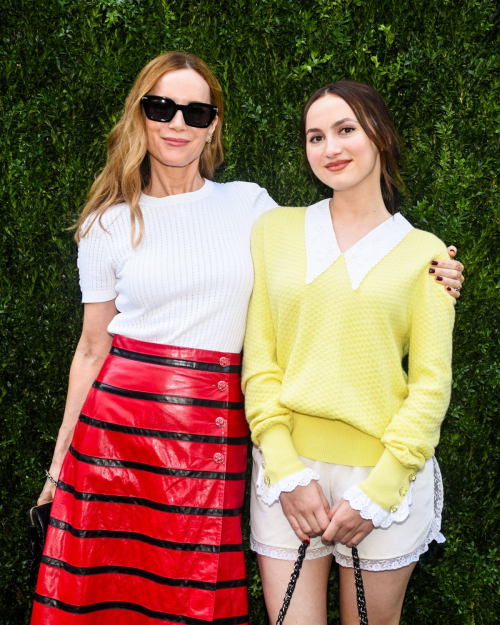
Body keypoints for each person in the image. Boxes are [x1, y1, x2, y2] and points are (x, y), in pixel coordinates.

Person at [31, 52, 462, 625]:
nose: (176, 122)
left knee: (192, 598)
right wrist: (58, 468)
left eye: (195, 110)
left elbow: (338, 252)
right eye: (161, 107)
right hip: (117, 437)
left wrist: (433, 270)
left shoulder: (252, 207)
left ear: (213, 124)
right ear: (140, 116)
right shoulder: (104, 225)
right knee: (109, 600)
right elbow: (91, 350)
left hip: (215, 429)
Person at [242, 79, 458, 625]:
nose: (330, 148)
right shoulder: (273, 231)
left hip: (383, 476)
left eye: (345, 130)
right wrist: (285, 470)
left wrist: (379, 491)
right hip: (287, 469)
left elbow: (431, 384)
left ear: (379, 136)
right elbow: (260, 361)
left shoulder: (427, 254)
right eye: (315, 136)